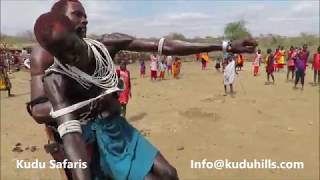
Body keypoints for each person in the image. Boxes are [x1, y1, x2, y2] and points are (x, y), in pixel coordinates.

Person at [29, 1, 257, 179]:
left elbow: (164, 46)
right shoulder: (52, 71)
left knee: (169, 174)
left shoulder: (106, 44)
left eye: (85, 14)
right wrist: (84, 106)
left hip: (118, 127)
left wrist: (225, 45)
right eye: (77, 14)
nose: (85, 19)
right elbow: (51, 117)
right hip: (92, 137)